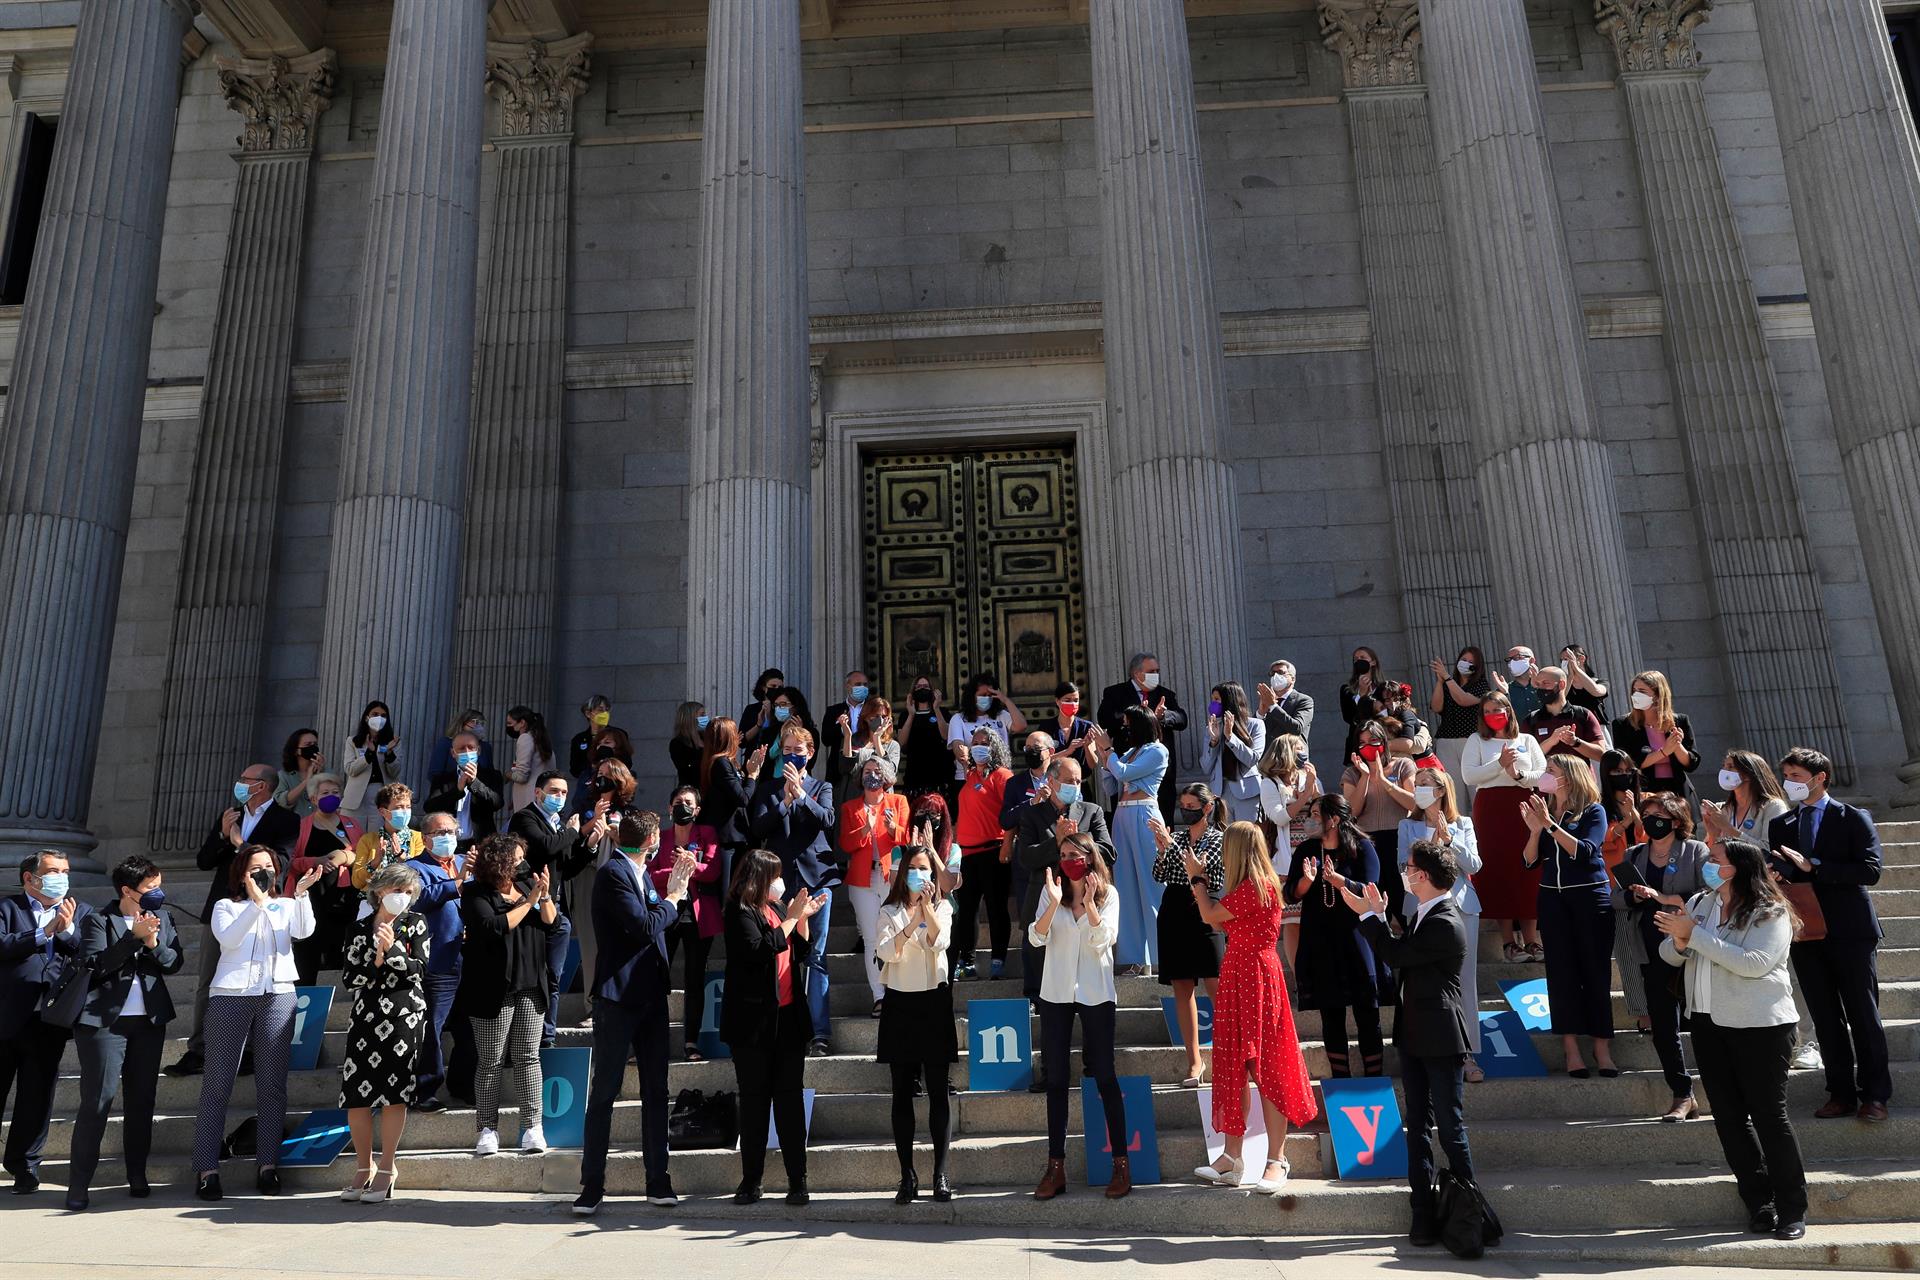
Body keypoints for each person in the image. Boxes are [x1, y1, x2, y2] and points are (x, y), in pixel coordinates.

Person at [1655, 838, 1808, 1239]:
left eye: (1716, 859)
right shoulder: (1702, 903)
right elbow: (1669, 955)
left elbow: (1754, 964)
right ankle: (1759, 1203)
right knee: (1728, 1118)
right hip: (1707, 1022)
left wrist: (1695, 937)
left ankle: (1793, 1208)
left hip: (1760, 1026)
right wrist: (1681, 940)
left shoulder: (1769, 911)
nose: (1709, 864)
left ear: (1738, 867)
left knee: (1769, 1117)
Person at [1338, 839, 1477, 1246]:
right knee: (1416, 1125)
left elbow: (1397, 956)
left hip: (1442, 1037)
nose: (1404, 871)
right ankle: (1423, 1211)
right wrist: (1379, 915)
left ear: (1424, 875)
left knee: (1449, 1128)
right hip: (1415, 1033)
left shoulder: (1446, 921)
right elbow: (1404, 953)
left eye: (1409, 866)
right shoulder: (1422, 912)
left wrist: (1369, 917)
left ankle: (1467, 1211)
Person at [1191, 821, 1318, 1192]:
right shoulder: (1250, 886)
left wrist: (1197, 879)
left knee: (1266, 1068)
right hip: (1238, 974)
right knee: (1234, 1065)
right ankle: (1232, 1158)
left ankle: (1277, 1159)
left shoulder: (1258, 886)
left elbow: (1209, 916)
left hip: (1257, 978)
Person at [575, 814, 692, 1215]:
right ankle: (592, 1184)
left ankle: (658, 1180)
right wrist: (674, 898)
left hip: (650, 997)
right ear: (651, 840)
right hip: (617, 997)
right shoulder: (614, 873)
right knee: (604, 1092)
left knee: (656, 1091)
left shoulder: (642, 876)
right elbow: (644, 926)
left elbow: (659, 927)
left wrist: (675, 895)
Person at [192, 845, 323, 1200]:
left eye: (268, 867)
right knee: (217, 1083)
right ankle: (207, 1169)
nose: (263, 872)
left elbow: (305, 930)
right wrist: (255, 903)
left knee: (272, 1085)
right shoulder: (226, 906)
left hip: (278, 993)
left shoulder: (287, 905)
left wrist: (302, 894)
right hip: (230, 995)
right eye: (255, 868)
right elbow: (230, 940)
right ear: (242, 873)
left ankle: (267, 1165)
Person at [1771, 747, 1890, 1125]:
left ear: (1819, 777)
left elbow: (1870, 870)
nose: (1790, 783)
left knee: (1862, 1013)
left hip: (1850, 930)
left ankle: (1874, 1094)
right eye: (1786, 776)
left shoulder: (1853, 818)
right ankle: (1840, 1093)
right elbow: (1780, 869)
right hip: (1806, 930)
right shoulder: (1783, 824)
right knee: (1825, 1015)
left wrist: (1815, 866)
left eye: (1795, 776)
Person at [65, 855, 179, 1210]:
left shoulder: (164, 917)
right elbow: (96, 966)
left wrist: (152, 943)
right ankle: (79, 1184)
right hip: (104, 1023)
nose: (158, 894)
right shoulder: (98, 919)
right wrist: (133, 938)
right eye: (151, 889)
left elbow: (174, 962)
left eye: (159, 886)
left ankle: (137, 1175)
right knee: (97, 1102)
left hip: (148, 1021)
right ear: (128, 891)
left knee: (142, 1100)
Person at [170, 762, 298, 1076]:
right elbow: (204, 860)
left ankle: (252, 1051)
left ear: (263, 786)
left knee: (259, 982)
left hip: (262, 911)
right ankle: (198, 1050)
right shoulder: (232, 815)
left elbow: (280, 862)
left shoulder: (287, 820)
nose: (239, 784)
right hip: (223, 906)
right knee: (208, 981)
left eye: (245, 780)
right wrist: (224, 835)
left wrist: (241, 844)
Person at [1029, 834, 1131, 1200]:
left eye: (1075, 854)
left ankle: (1121, 1164)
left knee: (1104, 1075)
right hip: (1056, 993)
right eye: (1063, 854)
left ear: (1090, 857)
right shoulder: (1051, 892)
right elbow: (1036, 939)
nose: (1068, 859)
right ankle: (1055, 1167)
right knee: (1056, 1078)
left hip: (1096, 993)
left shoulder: (1110, 895)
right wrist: (1053, 906)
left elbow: (1104, 940)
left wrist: (1089, 905)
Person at [721, 848, 824, 1207]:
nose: (780, 882)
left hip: (788, 1020)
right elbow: (758, 948)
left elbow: (801, 950)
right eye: (775, 875)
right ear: (759, 878)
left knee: (790, 1103)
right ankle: (752, 1181)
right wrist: (793, 919)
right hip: (752, 1024)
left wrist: (804, 917)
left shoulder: (780, 909)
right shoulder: (738, 911)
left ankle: (798, 1181)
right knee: (753, 1104)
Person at [1705, 750, 1815, 1069]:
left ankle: (1809, 1040)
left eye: (1730, 768)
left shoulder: (1773, 807)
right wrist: (1713, 829)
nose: (1724, 773)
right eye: (1724, 767)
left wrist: (1732, 829)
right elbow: (1716, 854)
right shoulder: (1726, 808)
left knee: (1792, 973)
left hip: (1773, 897)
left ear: (1748, 774)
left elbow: (1773, 853)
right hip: (1739, 901)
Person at [1015, 757, 1116, 1093]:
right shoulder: (1032, 814)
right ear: (1053, 781)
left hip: (1087, 906)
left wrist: (1076, 846)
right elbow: (1026, 858)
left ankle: (1092, 1066)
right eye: (1069, 779)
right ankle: (1051, 1069)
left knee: (1089, 990)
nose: (1076, 784)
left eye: (1079, 779)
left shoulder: (1091, 812)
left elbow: (1107, 851)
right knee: (1048, 995)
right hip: (1046, 908)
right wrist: (1054, 843)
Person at [461, 832, 559, 1160]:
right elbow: (494, 926)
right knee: (490, 1060)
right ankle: (487, 1129)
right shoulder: (476, 892)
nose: (523, 863)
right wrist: (528, 902)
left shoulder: (528, 888)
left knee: (527, 1056)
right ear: (499, 861)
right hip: (491, 987)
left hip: (531, 981)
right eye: (517, 858)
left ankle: (533, 1127)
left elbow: (551, 923)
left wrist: (542, 897)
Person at [2, 851, 94, 1193]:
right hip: (7, 1013)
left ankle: (25, 1166)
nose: (62, 877)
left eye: (65, 871)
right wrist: (43, 934)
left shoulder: (80, 911)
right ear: (30, 878)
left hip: (49, 1018)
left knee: (36, 1096)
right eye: (53, 871)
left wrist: (66, 931)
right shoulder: (7, 908)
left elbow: (88, 955)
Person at [337, 862, 429, 1204]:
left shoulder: (415, 924)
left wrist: (390, 953)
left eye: (407, 892)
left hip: (404, 1013)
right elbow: (350, 976)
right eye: (396, 891)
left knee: (394, 1092)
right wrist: (376, 960)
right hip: (366, 1014)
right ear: (379, 892)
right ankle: (364, 1166)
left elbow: (418, 969)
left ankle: (388, 1167)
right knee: (357, 1095)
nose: (401, 898)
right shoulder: (358, 929)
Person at [1522, 754, 1617, 1077]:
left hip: (1589, 898)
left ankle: (1601, 1046)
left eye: (1551, 771)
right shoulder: (1546, 812)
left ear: (1570, 777)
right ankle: (1570, 1047)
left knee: (1595, 971)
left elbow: (1585, 851)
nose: (1545, 775)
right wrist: (1535, 831)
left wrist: (1549, 824)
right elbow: (1529, 861)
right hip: (1553, 900)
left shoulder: (1593, 811)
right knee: (1561, 974)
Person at [1286, 795, 1392, 1078]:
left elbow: (1372, 888)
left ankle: (1374, 1079)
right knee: (1331, 1015)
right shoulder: (1307, 849)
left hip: (1357, 938)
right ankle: (1341, 1080)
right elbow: (1290, 894)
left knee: (1367, 1013)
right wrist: (1306, 883)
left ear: (1335, 818)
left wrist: (1341, 881)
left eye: (1318, 813)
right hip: (1320, 940)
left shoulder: (1362, 847)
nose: (1312, 818)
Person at [875, 844, 958, 1203]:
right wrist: (910, 923)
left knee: (938, 1090)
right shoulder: (889, 910)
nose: (920, 875)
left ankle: (939, 1173)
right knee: (901, 1093)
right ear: (903, 872)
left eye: (925, 869)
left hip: (933, 1000)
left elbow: (940, 941)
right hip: (899, 1002)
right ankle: (906, 1174)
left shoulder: (942, 907)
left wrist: (927, 910)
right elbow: (884, 952)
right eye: (914, 868)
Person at [749, 722, 838, 1055]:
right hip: (780, 884)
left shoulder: (822, 787)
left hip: (818, 880)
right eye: (786, 751)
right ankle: (787, 1029)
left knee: (815, 956)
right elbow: (758, 827)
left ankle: (819, 1033)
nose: (791, 756)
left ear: (809, 753)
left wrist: (801, 796)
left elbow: (827, 821)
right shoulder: (769, 789)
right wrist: (784, 803)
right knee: (782, 955)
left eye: (797, 751)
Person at [1621, 793, 1709, 1120]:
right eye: (1647, 814)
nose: (1650, 820)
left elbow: (1707, 895)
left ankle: (1719, 1085)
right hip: (1649, 948)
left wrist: (1664, 897)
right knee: (1663, 1026)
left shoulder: (1696, 851)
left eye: (1658, 814)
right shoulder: (1634, 854)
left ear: (1675, 819)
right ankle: (1682, 1093)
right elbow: (1616, 898)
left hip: (1692, 948)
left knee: (1703, 1020)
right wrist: (1634, 895)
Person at [1396, 769, 1484, 1077]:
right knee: (1421, 983)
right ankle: (1421, 1054)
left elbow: (1474, 864)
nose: (1418, 789)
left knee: (1465, 983)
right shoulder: (1407, 825)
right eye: (1417, 784)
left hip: (1462, 908)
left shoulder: (1464, 824)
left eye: (1424, 785)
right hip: (1422, 910)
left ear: (1441, 789)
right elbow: (1403, 873)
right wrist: (1432, 846)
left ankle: (1469, 1055)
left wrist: (1452, 842)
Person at [508, 772, 596, 1047]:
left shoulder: (558, 825)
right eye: (554, 791)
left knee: (553, 976)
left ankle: (547, 1035)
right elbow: (545, 847)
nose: (559, 797)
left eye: (563, 793)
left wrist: (589, 847)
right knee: (529, 976)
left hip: (554, 907)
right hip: (527, 907)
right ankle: (522, 1036)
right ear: (538, 793)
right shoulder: (525, 818)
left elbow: (566, 868)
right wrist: (573, 831)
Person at [1149, 785, 1226, 1088]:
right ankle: (1194, 1060)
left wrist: (1173, 852)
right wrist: (1162, 849)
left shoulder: (1219, 838)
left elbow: (1212, 876)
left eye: (1192, 804)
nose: (1186, 810)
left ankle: (1228, 1056)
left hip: (1207, 909)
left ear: (1207, 808)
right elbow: (1160, 875)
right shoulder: (1178, 838)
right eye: (1183, 804)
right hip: (1175, 912)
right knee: (1182, 987)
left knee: (1216, 985)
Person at [1461, 692, 1547, 963]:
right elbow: (1469, 775)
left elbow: (1542, 773)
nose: (1494, 713)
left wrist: (1519, 775)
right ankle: (1509, 943)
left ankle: (1533, 941)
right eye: (1488, 710)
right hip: (1492, 809)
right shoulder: (1477, 740)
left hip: (1525, 805)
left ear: (1508, 710)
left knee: (1528, 869)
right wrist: (1498, 764)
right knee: (1499, 869)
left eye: (1499, 708)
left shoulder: (1527, 740)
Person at [1091, 703, 1169, 976]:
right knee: (1126, 885)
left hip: (1145, 814)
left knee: (1151, 884)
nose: (1124, 729)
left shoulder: (1158, 750)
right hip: (1123, 817)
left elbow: (1123, 773)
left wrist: (1109, 752)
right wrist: (1103, 757)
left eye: (1127, 724)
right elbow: (1112, 784)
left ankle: (1161, 956)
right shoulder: (1130, 753)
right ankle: (1137, 957)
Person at [650, 787, 725, 1057]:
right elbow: (651, 874)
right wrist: (682, 867)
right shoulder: (661, 837)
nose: (683, 806)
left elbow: (714, 870)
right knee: (657, 976)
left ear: (697, 810)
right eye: (678, 802)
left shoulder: (707, 834)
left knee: (694, 978)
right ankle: (653, 1039)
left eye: (688, 803)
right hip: (666, 911)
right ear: (670, 808)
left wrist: (691, 865)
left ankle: (691, 1042)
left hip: (698, 915)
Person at [407, 812, 473, 1110]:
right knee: (432, 1025)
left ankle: (463, 1085)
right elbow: (416, 899)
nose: (449, 835)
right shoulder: (413, 867)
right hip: (438, 958)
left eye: (452, 830)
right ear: (426, 836)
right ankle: (425, 1089)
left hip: (471, 957)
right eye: (441, 831)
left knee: (470, 1026)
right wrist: (456, 884)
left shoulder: (465, 862)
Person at [841, 757, 911, 1016]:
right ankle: (879, 996)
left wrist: (893, 828)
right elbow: (846, 845)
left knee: (898, 932)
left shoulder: (898, 802)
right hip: (862, 880)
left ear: (887, 777)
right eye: (868, 771)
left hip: (891, 877)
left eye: (877, 771)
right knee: (871, 939)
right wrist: (863, 831)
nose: (872, 775)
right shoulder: (850, 807)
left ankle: (901, 990)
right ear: (861, 776)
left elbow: (906, 838)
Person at [285, 772, 363, 985]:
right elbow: (290, 861)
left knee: (341, 947)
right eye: (325, 793)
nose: (331, 796)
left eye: (335, 792)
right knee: (308, 949)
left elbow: (364, 856)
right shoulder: (301, 826)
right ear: (313, 799)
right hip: (312, 897)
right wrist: (315, 861)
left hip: (345, 897)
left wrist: (345, 856)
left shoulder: (352, 824)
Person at [951, 726, 1014, 980]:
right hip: (967, 854)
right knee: (966, 910)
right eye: (974, 741)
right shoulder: (969, 776)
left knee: (996, 907)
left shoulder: (1002, 776)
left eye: (984, 742)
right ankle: (967, 960)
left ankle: (998, 958)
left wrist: (1008, 845)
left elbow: (1011, 815)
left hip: (994, 850)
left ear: (994, 747)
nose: (978, 746)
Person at [1255, 733, 1320, 975]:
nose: (1303, 754)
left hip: (1312, 854)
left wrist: (1313, 790)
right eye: (1299, 749)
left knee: (1314, 916)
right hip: (1286, 859)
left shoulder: (1308, 777)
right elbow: (1280, 816)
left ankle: (1317, 971)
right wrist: (1305, 794)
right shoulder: (1269, 783)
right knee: (1292, 921)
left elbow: (1322, 810)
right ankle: (1300, 975)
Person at [1096, 653, 1188, 822]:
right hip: (1127, 763)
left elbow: (1182, 719)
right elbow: (1104, 718)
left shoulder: (1164, 694)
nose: (1156, 674)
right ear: (1137, 674)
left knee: (1163, 820)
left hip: (1159, 772)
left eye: (1157, 670)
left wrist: (1162, 716)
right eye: (1151, 671)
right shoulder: (1115, 693)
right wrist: (1135, 717)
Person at [1341, 719, 1416, 920]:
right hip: (1368, 843)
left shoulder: (1402, 765)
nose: (1368, 746)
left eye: (1373, 740)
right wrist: (1365, 778)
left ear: (1383, 740)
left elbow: (1414, 804)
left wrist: (1384, 782)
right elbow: (1351, 812)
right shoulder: (1352, 774)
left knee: (1402, 899)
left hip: (1399, 841)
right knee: (1376, 900)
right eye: (1363, 742)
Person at [1611, 670, 1698, 799]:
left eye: (1642, 691)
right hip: (1645, 792)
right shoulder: (1622, 724)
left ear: (1657, 695)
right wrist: (1664, 751)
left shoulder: (1679, 721)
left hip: (1678, 792)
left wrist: (1677, 745)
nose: (1636, 695)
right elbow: (1629, 763)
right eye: (1634, 691)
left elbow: (1692, 763)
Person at [426, 728, 506, 845]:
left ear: (478, 751)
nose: (467, 752)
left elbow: (496, 803)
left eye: (471, 748)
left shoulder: (492, 776)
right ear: (453, 753)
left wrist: (474, 783)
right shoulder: (442, 779)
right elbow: (430, 807)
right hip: (449, 843)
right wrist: (457, 790)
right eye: (461, 748)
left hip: (480, 844)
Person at [1202, 681, 1266, 824]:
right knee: (1225, 839)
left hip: (1246, 791)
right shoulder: (1212, 727)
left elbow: (1252, 758)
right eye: (1212, 699)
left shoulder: (1255, 725)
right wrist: (1213, 742)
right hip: (1220, 793)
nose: (1213, 703)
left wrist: (1231, 737)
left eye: (1217, 699)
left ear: (1229, 700)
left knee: (1247, 837)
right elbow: (1206, 766)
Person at [1427, 646, 1492, 787]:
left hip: (1470, 739)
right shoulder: (1448, 683)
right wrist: (1440, 682)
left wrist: (1447, 678)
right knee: (1453, 787)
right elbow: (1436, 707)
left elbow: (1463, 700)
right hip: (1446, 740)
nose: (1466, 663)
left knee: (1474, 787)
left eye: (1471, 661)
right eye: (1463, 659)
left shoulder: (1481, 685)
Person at [349, 784, 422, 902]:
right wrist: (375, 861)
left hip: (406, 901)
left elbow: (421, 876)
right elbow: (357, 882)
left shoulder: (418, 838)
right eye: (398, 807)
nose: (405, 812)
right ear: (383, 812)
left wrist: (403, 858)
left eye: (408, 807)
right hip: (373, 901)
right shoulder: (368, 840)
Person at [1524, 666, 1606, 764]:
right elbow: (1526, 758)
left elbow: (1601, 755)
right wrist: (1551, 741)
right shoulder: (1531, 719)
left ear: (1561, 684)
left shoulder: (1583, 714)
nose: (1541, 688)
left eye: (1546, 683)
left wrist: (1575, 742)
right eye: (1538, 684)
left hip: (1580, 777)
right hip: (1547, 778)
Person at [342, 701, 402, 831]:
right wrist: (369, 754)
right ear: (366, 717)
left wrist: (389, 753)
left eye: (383, 715)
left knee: (377, 839)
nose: (379, 718)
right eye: (375, 714)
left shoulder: (393, 741)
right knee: (353, 838)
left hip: (381, 796)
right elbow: (350, 769)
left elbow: (395, 772)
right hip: (357, 798)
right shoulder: (353, 741)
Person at [896, 675, 952, 801]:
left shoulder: (943, 712)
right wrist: (911, 714)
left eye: (926, 686)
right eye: (919, 686)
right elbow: (902, 741)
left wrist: (936, 708)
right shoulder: (905, 715)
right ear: (913, 690)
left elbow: (946, 735)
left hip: (940, 773)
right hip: (915, 774)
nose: (922, 689)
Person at [1336, 646, 1388, 758]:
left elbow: (1388, 715)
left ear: (1373, 662)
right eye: (1356, 659)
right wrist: (1361, 694)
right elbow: (1349, 717)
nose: (1359, 660)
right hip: (1357, 743)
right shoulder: (1347, 690)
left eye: (1363, 657)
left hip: (1382, 740)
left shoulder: (1384, 688)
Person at [504, 705, 557, 813]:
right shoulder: (541, 739)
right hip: (543, 798)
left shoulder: (525, 738)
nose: (508, 727)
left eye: (510, 723)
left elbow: (522, 776)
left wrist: (507, 775)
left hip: (530, 800)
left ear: (522, 723)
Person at [1035, 680, 1098, 767]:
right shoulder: (1046, 727)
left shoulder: (1087, 727)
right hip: (1053, 778)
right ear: (1057, 701)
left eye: (1076, 700)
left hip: (1078, 779)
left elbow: (1093, 764)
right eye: (1067, 700)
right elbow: (1041, 761)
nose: (1072, 704)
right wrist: (1067, 751)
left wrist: (1087, 747)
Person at [1255, 658, 1315, 746]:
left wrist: (1273, 706)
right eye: (1272, 673)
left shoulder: (1304, 700)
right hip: (1270, 757)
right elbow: (1254, 733)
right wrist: (1260, 714)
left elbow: (1297, 728)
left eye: (1280, 672)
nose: (1275, 676)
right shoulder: (1267, 700)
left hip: (1293, 756)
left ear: (1293, 679)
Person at [274, 726, 326, 815]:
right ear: (296, 751)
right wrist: (307, 781)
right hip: (294, 824)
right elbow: (281, 802)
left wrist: (320, 774)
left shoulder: (327, 773)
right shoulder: (284, 775)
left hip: (319, 823)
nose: (313, 747)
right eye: (308, 744)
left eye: (315, 744)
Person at [429, 708, 492, 781]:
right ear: (462, 724)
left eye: (482, 723)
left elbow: (490, 775)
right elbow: (435, 774)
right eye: (476, 722)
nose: (479, 726)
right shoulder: (445, 744)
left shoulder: (485, 747)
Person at [737, 669, 789, 755]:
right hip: (753, 759)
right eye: (773, 686)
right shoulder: (752, 709)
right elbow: (741, 742)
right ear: (764, 687)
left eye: (780, 687)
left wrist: (770, 716)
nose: (776, 690)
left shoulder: (782, 711)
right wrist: (758, 725)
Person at [569, 694, 614, 784]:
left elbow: (626, 762)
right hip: (587, 785)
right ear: (588, 713)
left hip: (612, 783)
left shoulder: (616, 735)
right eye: (600, 710)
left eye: (607, 710)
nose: (604, 713)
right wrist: (590, 767)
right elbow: (574, 769)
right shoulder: (579, 739)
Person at [1559, 643, 1610, 723]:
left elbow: (1597, 691)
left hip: (1597, 727)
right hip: (1574, 728)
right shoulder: (1564, 685)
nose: (1563, 663)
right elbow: (1559, 700)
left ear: (1582, 659)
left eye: (1567, 659)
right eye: (1561, 660)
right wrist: (1570, 677)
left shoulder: (1598, 682)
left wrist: (1576, 669)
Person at [669, 701, 708, 790]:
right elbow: (685, 768)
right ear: (691, 718)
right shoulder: (677, 743)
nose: (705, 718)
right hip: (691, 790)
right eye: (702, 715)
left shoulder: (706, 739)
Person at [1501, 645, 1543, 722]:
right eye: (1509, 660)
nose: (1512, 662)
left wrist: (1539, 685)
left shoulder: (1546, 685)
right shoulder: (1504, 689)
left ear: (1532, 660)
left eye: (1517, 657)